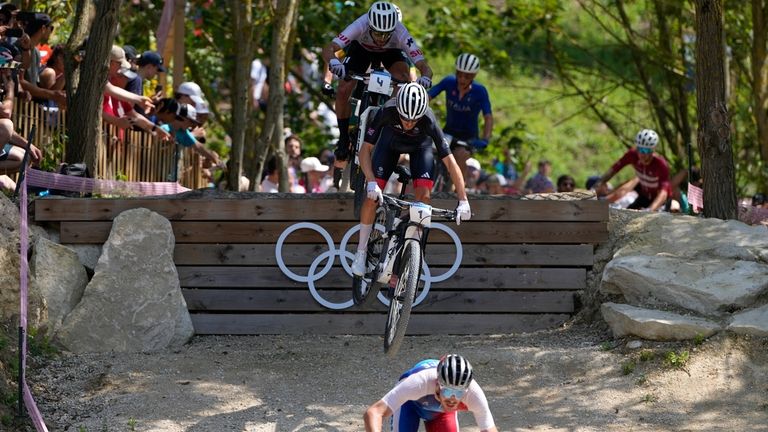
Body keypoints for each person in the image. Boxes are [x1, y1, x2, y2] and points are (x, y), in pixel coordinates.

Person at [351, 82, 470, 276]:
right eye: (404, 118)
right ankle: (361, 252)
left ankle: (409, 255)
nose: (408, 123)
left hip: (420, 148)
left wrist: (463, 200)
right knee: (372, 195)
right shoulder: (387, 111)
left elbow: (450, 163)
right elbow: (365, 150)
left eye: (413, 120)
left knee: (423, 199)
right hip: (389, 145)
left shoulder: (429, 120)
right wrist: (371, 181)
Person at [321, 1, 434, 173]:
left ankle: (391, 121)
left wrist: (425, 77)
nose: (381, 39)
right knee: (344, 87)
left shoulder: (401, 32)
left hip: (391, 53)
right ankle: (343, 138)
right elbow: (329, 48)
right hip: (361, 50)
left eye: (385, 35)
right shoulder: (361, 23)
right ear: (370, 25)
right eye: (377, 33)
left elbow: (423, 65)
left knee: (403, 79)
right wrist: (335, 62)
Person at [364, 354, 497, 432]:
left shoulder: (474, 393)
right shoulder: (419, 382)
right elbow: (373, 413)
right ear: (438, 383)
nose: (452, 398)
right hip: (409, 405)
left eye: (459, 393)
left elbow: (489, 429)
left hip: (440, 414)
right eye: (449, 390)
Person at [428, 53, 493, 179]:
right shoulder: (449, 82)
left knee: (460, 154)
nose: (462, 79)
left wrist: (485, 139)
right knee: (429, 150)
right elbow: (428, 95)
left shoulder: (480, 91)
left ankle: (458, 191)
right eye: (459, 74)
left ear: (474, 76)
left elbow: (488, 117)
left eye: (467, 76)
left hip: (467, 137)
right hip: (449, 132)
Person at [593, 129, 671, 211]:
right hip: (644, 196)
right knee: (627, 215)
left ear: (652, 150)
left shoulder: (661, 164)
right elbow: (614, 169)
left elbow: (664, 193)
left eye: (645, 150)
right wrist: (598, 184)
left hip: (660, 201)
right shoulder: (632, 155)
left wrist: (649, 210)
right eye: (639, 149)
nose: (641, 154)